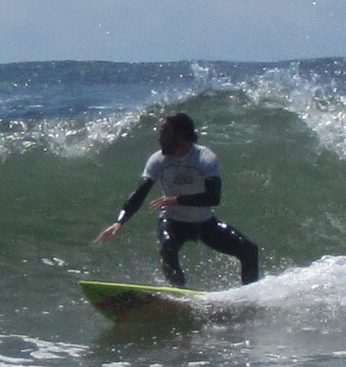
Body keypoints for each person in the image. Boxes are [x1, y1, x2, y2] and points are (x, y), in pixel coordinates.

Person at [95, 112, 260, 287]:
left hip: (204, 223)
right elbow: (139, 193)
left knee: (249, 250)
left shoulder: (204, 158)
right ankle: (179, 293)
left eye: (164, 132)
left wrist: (177, 200)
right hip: (173, 222)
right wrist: (120, 221)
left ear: (180, 135)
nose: (159, 137)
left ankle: (248, 295)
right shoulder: (157, 160)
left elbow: (213, 197)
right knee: (168, 247)